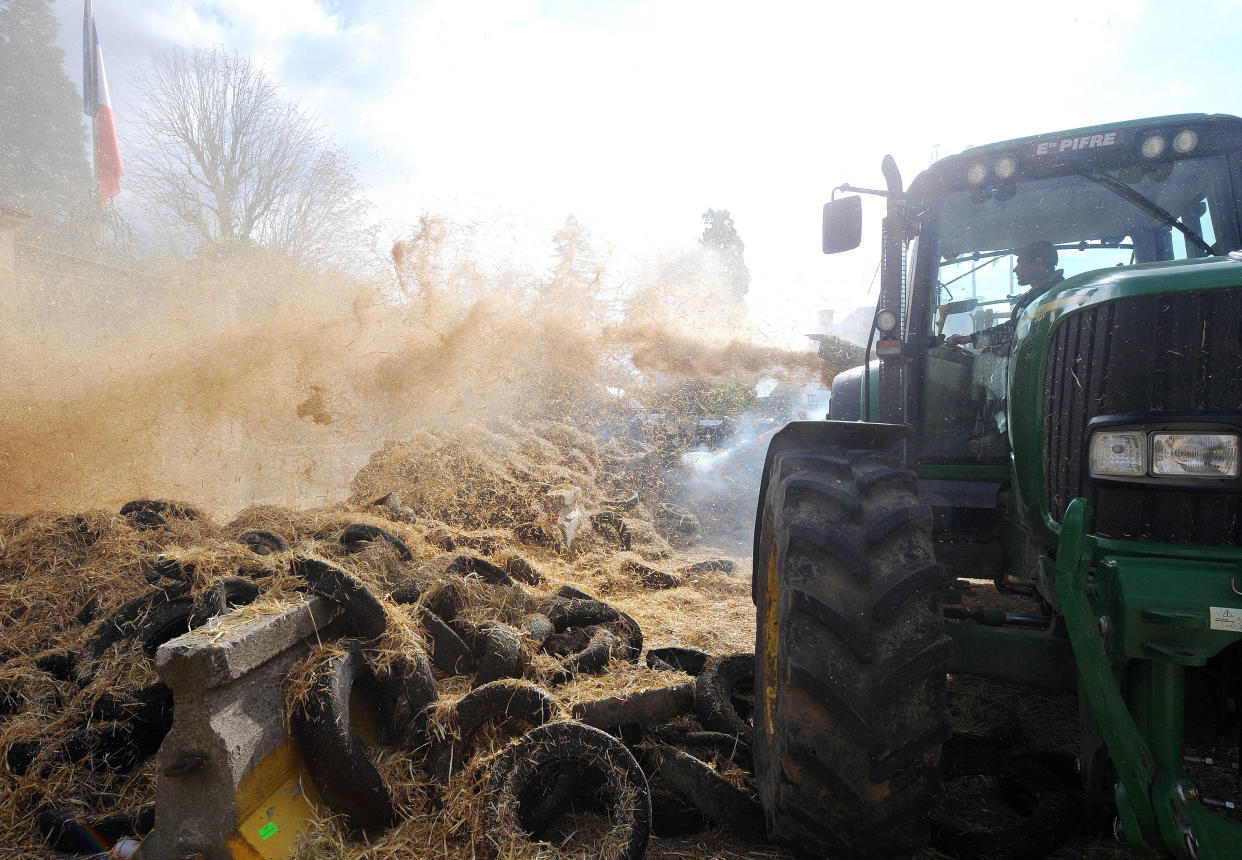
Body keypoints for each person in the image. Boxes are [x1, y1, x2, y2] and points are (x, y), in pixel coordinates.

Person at [946, 240, 1065, 351]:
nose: (1015, 269)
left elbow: (1015, 331)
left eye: (1020, 263)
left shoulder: (1054, 295)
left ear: (1038, 263)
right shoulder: (1043, 293)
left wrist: (968, 339)